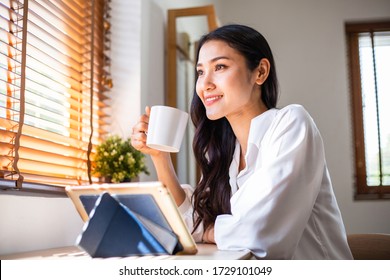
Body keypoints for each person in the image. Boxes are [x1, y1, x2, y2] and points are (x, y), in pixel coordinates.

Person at [131, 24, 353, 259]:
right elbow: (189, 222)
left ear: (260, 72)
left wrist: (206, 230)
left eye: (220, 67)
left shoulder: (292, 124)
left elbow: (261, 233)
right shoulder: (226, 153)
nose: (205, 84)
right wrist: (160, 157)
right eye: (200, 72)